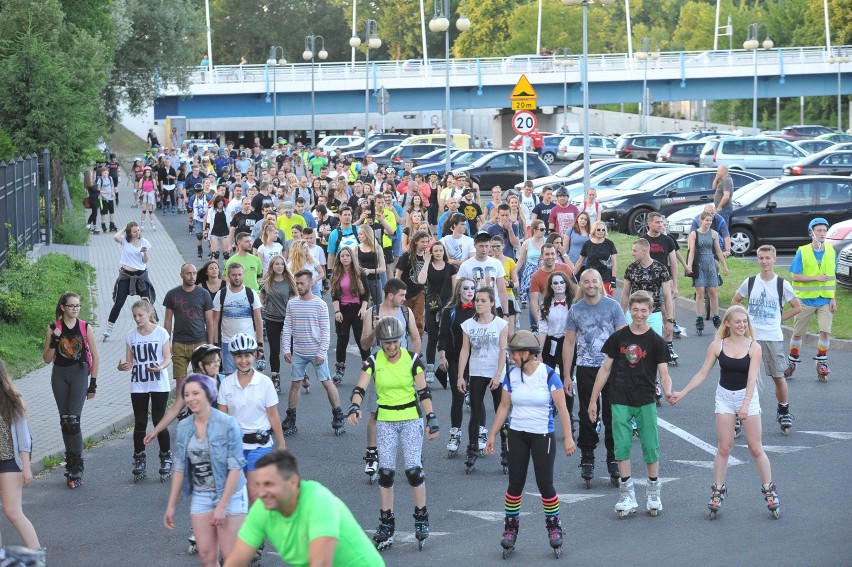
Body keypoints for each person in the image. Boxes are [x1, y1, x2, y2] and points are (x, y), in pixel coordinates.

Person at [669, 306, 781, 519]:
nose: (742, 325)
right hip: (724, 397)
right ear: (727, 323)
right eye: (737, 321)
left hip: (747, 396)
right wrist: (682, 393)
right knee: (724, 447)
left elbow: (751, 379)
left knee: (755, 448)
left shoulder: (754, 347)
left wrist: (746, 404)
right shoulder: (717, 346)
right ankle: (717, 491)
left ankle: (769, 490)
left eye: (745, 322)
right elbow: (702, 374)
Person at [347, 316, 440, 551]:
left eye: (395, 342)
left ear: (402, 340)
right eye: (386, 343)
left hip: (410, 419)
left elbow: (424, 392)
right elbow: (360, 387)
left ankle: (421, 518)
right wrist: (355, 406)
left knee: (413, 471)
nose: (391, 347)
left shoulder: (412, 360)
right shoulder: (373, 360)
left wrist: (431, 419)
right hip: (386, 420)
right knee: (386, 473)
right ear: (380, 342)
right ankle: (386, 523)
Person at [485, 331, 574, 557]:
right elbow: (504, 407)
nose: (512, 357)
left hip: (542, 435)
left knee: (545, 484)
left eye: (514, 353)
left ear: (526, 353)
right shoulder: (511, 375)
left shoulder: (548, 375)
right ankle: (510, 530)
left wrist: (569, 437)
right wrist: (493, 434)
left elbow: (562, 409)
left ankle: (554, 528)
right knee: (515, 485)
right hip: (516, 434)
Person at [588, 291, 673, 518]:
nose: (639, 314)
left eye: (643, 310)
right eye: (635, 310)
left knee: (650, 446)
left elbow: (664, 373)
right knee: (622, 446)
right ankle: (627, 494)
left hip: (645, 399)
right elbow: (605, 369)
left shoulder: (655, 341)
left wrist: (669, 390)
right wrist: (594, 398)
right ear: (629, 310)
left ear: (650, 311)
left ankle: (653, 491)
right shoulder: (619, 338)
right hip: (620, 398)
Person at [222, 450, 383, 566]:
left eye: (269, 484)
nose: (261, 492)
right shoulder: (262, 508)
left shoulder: (318, 502)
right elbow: (236, 560)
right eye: (258, 485)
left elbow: (320, 563)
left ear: (292, 482)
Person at [164, 374, 248, 567]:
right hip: (202, 493)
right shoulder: (184, 427)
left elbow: (235, 468)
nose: (191, 398)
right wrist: (171, 506)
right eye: (186, 394)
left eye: (196, 393)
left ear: (208, 393)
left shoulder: (227, 424)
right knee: (206, 556)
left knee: (231, 556)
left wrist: (222, 505)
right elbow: (179, 467)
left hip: (231, 493)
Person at [564, 269, 626, 486]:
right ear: (580, 284)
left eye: (594, 281)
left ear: (601, 283)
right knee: (587, 414)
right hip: (585, 368)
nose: (590, 285)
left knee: (612, 415)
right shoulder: (575, 310)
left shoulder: (613, 306)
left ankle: (613, 457)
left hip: (611, 369)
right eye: (586, 282)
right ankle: (587, 456)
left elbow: (623, 338)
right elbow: (569, 343)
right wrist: (566, 375)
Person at [732, 245, 801, 435]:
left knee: (778, 376)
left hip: (772, 337)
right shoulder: (751, 282)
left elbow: (797, 306)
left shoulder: (781, 284)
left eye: (767, 258)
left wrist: (780, 318)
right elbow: (735, 301)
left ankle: (784, 409)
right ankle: (738, 415)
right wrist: (744, 320)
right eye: (761, 258)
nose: (764, 262)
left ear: (774, 260)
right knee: (743, 376)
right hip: (751, 337)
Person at [359, 279, 421, 481]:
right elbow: (364, 343)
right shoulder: (372, 312)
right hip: (380, 369)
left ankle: (416, 457)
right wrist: (375, 331)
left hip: (403, 368)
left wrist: (414, 365)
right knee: (375, 412)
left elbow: (416, 338)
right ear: (390, 295)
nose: (405, 299)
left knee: (411, 411)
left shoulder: (406, 313)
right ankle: (372, 454)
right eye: (402, 295)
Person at [281, 271, 346, 437]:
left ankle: (338, 415)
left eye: (302, 283)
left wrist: (322, 352)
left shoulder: (320, 305)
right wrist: (287, 349)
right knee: (295, 384)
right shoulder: (292, 304)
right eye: (297, 283)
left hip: (316, 352)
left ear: (311, 283)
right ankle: (291, 418)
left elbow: (325, 330)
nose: (299, 286)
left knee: (326, 383)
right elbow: (287, 327)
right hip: (299, 353)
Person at [43, 292, 99, 487]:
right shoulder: (53, 328)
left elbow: (96, 356)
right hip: (59, 375)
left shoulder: (84, 327)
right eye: (71, 306)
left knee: (73, 420)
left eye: (77, 306)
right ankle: (70, 462)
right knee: (65, 420)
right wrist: (54, 341)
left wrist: (93, 383)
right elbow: (47, 358)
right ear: (63, 308)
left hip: (79, 374)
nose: (75, 309)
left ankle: (77, 465)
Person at [117, 298, 173, 482]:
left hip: (158, 382)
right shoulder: (131, 336)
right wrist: (123, 366)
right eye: (134, 316)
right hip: (139, 382)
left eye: (140, 315)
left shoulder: (161, 333)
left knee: (158, 420)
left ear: (149, 314)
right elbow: (130, 362)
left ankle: (165, 456)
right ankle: (139, 458)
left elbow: (167, 357)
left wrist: (161, 367)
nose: (137, 319)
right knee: (140, 422)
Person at [457, 287, 509, 474]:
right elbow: (465, 351)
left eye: (483, 300)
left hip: (496, 373)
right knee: (475, 412)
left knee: (501, 413)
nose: (479, 303)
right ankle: (471, 450)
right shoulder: (468, 325)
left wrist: (497, 375)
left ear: (492, 303)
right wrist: (460, 376)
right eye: (477, 300)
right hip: (477, 372)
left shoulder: (501, 324)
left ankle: (506, 450)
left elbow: (504, 350)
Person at [783, 217, 837, 381]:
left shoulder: (830, 250)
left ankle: (822, 363)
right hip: (805, 300)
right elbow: (795, 276)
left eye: (824, 230)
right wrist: (815, 278)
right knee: (798, 334)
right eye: (819, 230)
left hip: (825, 300)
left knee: (825, 332)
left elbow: (831, 277)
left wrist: (833, 298)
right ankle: (792, 362)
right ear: (811, 233)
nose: (822, 233)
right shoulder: (803, 251)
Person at [0, 358, 42, 550]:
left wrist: (26, 467)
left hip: (9, 462)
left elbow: (24, 439)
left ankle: (37, 557)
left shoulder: (11, 399)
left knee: (13, 511)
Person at [102, 222, 157, 341]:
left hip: (141, 275)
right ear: (129, 233)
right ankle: (109, 327)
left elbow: (145, 260)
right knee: (119, 302)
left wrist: (145, 253)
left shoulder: (145, 242)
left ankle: (154, 325)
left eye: (138, 230)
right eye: (134, 231)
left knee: (147, 301)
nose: (137, 233)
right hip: (126, 275)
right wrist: (124, 228)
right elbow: (115, 237)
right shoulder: (124, 242)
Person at [163, 264, 215, 385]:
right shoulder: (172, 294)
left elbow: (209, 322)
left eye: (194, 273)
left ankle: (198, 404)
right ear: (181, 275)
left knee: (201, 381)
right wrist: (167, 343)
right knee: (180, 381)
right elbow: (168, 321)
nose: (192, 276)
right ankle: (181, 404)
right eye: (188, 273)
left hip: (200, 342)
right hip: (179, 344)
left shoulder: (204, 294)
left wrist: (211, 346)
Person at [211, 263, 264, 375]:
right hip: (227, 343)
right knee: (229, 376)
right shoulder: (221, 294)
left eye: (240, 274)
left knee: (248, 376)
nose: (237, 277)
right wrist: (215, 345)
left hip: (249, 343)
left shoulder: (251, 293)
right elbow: (214, 321)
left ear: (243, 275)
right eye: (234, 275)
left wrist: (260, 345)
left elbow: (258, 320)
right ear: (228, 276)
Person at [329, 247, 371, 384]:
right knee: (342, 339)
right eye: (342, 256)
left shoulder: (359, 273)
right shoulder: (336, 273)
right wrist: (337, 312)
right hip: (343, 310)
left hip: (358, 309)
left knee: (361, 339)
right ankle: (340, 368)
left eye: (347, 255)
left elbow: (366, 293)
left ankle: (368, 366)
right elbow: (334, 294)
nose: (345, 258)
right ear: (339, 259)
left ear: (352, 257)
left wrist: (364, 308)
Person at [686, 211, 729, 334]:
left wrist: (724, 266)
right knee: (699, 293)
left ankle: (716, 316)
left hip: (710, 263)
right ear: (701, 220)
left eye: (710, 220)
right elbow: (692, 251)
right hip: (699, 264)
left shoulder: (714, 234)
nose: (709, 222)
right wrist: (689, 266)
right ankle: (699, 318)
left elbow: (719, 251)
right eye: (707, 220)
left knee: (713, 293)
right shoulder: (694, 234)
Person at [259, 256, 297, 393]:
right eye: (276, 264)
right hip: (271, 319)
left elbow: (293, 299)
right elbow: (261, 297)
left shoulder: (289, 282)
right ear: (272, 266)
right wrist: (260, 306)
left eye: (282, 264)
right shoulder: (266, 282)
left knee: (292, 349)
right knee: (274, 349)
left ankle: (301, 373)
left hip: (287, 320)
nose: (279, 266)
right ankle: (275, 377)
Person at [457, 231, 510, 320]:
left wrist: (506, 313)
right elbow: (459, 290)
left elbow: (502, 290)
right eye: (481, 246)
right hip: (474, 307)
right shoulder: (466, 265)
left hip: (494, 307)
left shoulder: (496, 263)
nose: (484, 250)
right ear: (475, 245)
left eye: (486, 246)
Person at [529, 244, 572, 331]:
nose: (550, 257)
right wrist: (539, 321)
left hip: (567, 311)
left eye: (552, 254)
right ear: (542, 256)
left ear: (556, 255)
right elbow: (533, 301)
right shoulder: (536, 276)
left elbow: (575, 290)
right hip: (550, 313)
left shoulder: (565, 268)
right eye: (547, 254)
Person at [395, 230, 429, 340]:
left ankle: (417, 346)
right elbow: (398, 275)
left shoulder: (427, 257)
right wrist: (397, 292)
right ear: (416, 242)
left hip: (420, 292)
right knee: (403, 320)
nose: (425, 244)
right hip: (405, 293)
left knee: (418, 320)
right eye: (422, 242)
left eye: (426, 242)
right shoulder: (406, 256)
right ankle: (402, 343)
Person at [573, 221, 617, 296]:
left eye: (603, 230)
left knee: (606, 302)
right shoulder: (587, 244)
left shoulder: (610, 244)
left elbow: (614, 264)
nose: (601, 232)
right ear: (594, 230)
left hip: (606, 279)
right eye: (598, 229)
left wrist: (613, 281)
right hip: (590, 280)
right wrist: (572, 275)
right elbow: (580, 262)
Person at [516, 219, 546, 308]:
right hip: (530, 271)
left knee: (545, 296)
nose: (544, 231)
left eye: (544, 229)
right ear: (535, 230)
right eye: (541, 229)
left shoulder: (547, 241)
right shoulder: (527, 243)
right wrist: (513, 273)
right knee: (533, 298)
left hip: (544, 270)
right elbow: (521, 261)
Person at [96, 166, 119, 234]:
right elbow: (98, 190)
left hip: (110, 197)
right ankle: (103, 225)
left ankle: (112, 224)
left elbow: (112, 186)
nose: (104, 174)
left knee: (111, 211)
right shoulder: (100, 180)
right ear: (101, 174)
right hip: (102, 199)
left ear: (108, 172)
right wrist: (105, 195)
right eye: (103, 173)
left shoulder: (110, 178)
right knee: (103, 212)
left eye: (105, 173)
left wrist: (113, 193)